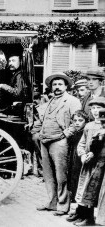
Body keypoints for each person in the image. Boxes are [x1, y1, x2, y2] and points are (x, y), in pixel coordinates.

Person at [35, 72, 81, 216]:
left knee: (61, 175)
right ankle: (52, 202)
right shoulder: (48, 102)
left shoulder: (72, 101)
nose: (57, 87)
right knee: (48, 175)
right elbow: (40, 120)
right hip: (45, 140)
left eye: (60, 84)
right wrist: (37, 133)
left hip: (60, 141)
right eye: (54, 84)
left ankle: (63, 205)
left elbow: (78, 122)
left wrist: (66, 134)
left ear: (66, 86)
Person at [66, 98, 105, 226]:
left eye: (99, 108)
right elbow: (82, 143)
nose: (95, 111)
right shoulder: (89, 126)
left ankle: (90, 218)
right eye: (93, 108)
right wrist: (82, 154)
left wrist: (94, 154)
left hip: (100, 164)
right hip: (87, 164)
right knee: (83, 188)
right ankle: (82, 214)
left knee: (93, 190)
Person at [68, 110, 89, 202]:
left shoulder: (84, 133)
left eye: (80, 120)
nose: (77, 123)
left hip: (80, 160)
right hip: (74, 160)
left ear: (86, 121)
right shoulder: (75, 133)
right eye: (75, 120)